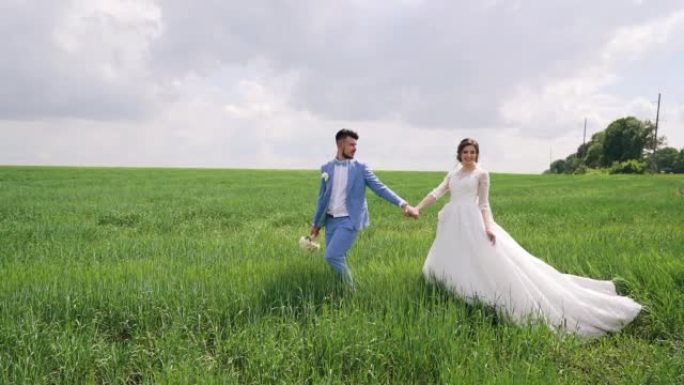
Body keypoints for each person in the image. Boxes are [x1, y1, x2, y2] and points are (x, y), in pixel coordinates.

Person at [413, 138, 641, 337]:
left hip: (472, 221)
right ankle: (452, 288)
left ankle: (478, 294)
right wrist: (417, 208)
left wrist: (489, 227)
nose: (469, 156)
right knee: (453, 256)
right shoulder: (453, 173)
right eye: (465, 152)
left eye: (473, 152)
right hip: (453, 221)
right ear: (459, 154)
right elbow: (437, 192)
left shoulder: (482, 174)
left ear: (477, 154)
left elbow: (483, 203)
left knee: (482, 261)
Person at [311, 129, 419, 284]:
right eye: (351, 144)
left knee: (332, 256)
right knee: (338, 258)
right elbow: (322, 198)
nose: (355, 148)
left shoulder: (361, 168)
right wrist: (316, 224)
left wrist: (403, 204)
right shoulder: (326, 168)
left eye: (355, 145)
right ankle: (340, 291)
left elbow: (380, 188)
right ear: (340, 144)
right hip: (330, 221)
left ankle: (351, 290)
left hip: (349, 220)